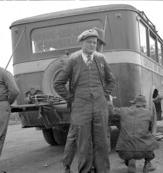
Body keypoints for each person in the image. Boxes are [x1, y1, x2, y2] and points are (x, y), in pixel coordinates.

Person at [54, 29, 116, 173]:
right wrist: (70, 98)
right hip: (80, 106)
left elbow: (111, 80)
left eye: (94, 42)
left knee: (102, 141)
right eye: (89, 42)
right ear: (81, 43)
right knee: (83, 143)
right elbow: (58, 83)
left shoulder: (101, 58)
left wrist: (104, 94)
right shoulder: (74, 59)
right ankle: (85, 170)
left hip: (100, 105)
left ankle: (103, 170)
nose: (93, 45)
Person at [109, 95, 159, 173]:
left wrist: (110, 100)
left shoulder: (123, 111)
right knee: (151, 139)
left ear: (133, 103)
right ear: (144, 105)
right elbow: (152, 129)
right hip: (143, 151)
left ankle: (130, 161)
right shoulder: (148, 113)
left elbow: (111, 111)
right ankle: (147, 164)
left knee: (128, 146)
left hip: (124, 152)